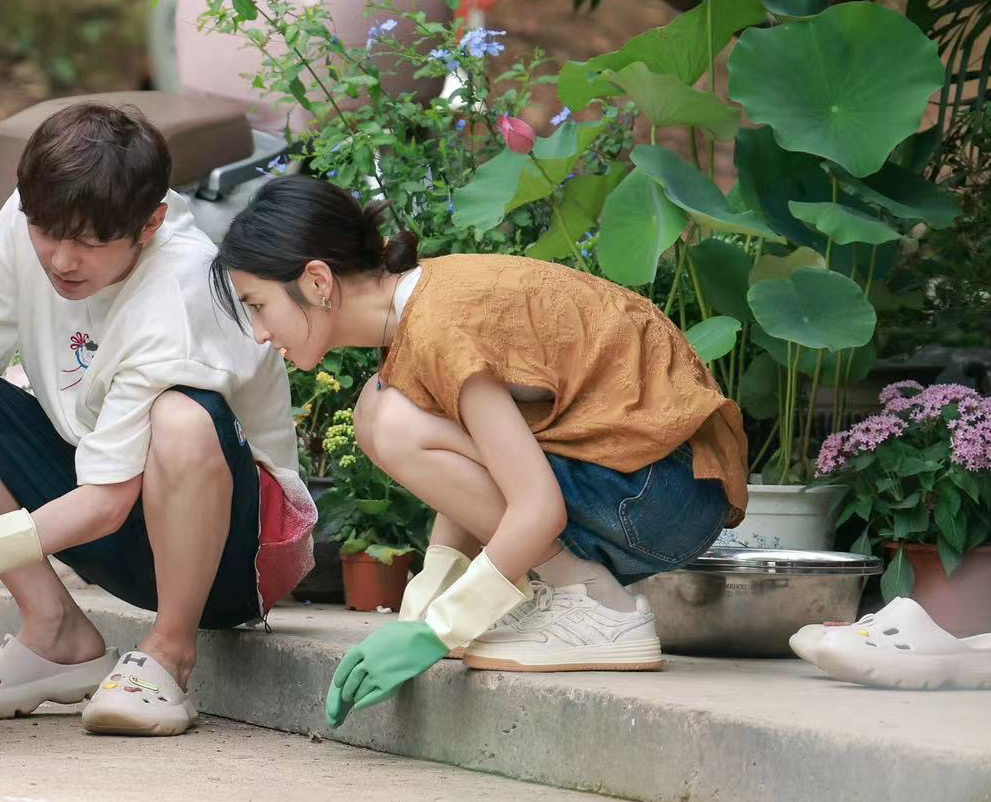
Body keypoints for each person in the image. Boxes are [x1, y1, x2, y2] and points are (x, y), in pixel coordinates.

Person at [210, 177, 748, 726]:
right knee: (381, 407)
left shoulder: (439, 325)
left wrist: (443, 627)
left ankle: (593, 604)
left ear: (317, 280)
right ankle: (562, 592)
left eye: (258, 305)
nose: (258, 333)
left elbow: (538, 507)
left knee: (390, 420)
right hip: (651, 484)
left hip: (660, 495)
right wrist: (427, 608)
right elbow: (481, 456)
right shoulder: (422, 306)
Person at [0, 102, 315, 737]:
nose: (62, 259)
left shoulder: (182, 289)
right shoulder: (37, 218)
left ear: (150, 225)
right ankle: (54, 630)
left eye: (90, 243)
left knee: (181, 417)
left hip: (229, 552)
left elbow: (107, 503)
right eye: (48, 233)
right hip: (106, 502)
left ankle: (171, 651)